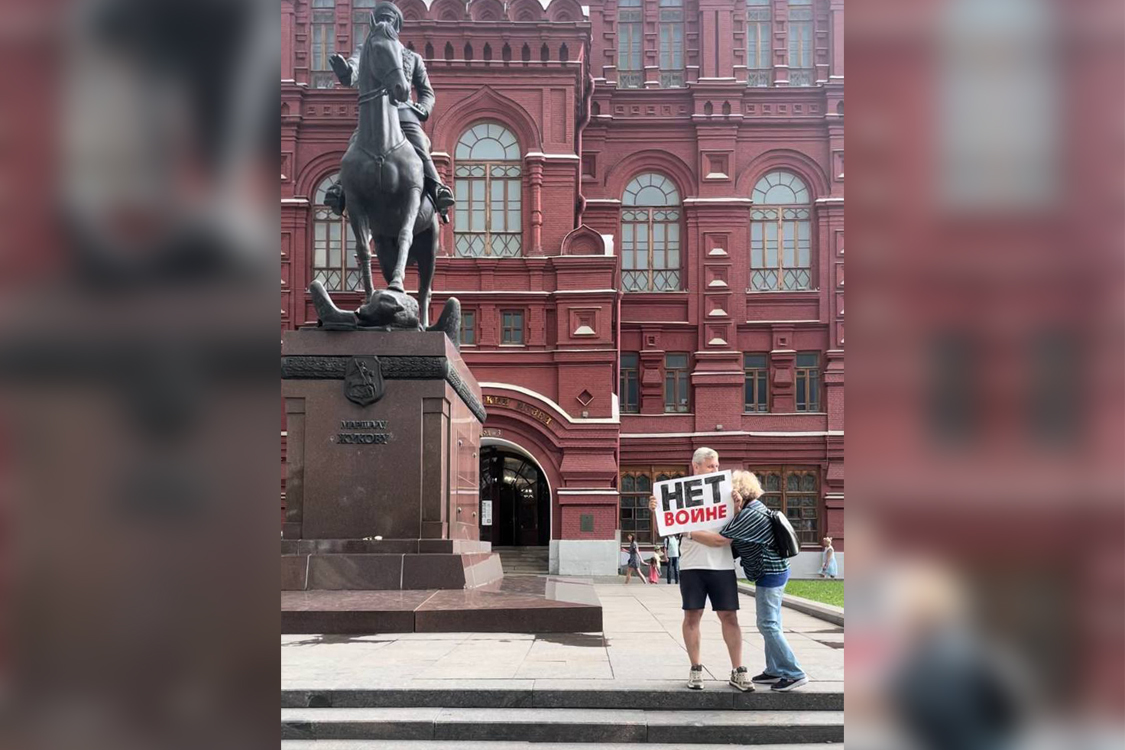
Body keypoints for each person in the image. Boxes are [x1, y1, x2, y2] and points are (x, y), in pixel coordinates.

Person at [325, 2, 456, 221]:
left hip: (405, 114)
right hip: (375, 115)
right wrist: (344, 70)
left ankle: (438, 189)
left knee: (420, 144)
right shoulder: (366, 50)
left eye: (390, 17)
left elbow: (427, 92)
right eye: (381, 16)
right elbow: (353, 71)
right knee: (355, 142)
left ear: (397, 24)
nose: (386, 20)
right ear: (374, 22)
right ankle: (339, 188)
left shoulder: (413, 58)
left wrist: (423, 108)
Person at [692, 470, 809, 692]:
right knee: (771, 622)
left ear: (739, 492)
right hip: (772, 572)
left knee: (768, 624)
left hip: (770, 573)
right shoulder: (751, 509)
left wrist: (688, 532)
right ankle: (774, 670)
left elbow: (720, 539)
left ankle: (794, 672)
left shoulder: (751, 515)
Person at [649, 448, 752, 692]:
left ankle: (738, 670)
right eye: (710, 466)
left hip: (722, 565)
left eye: (717, 466)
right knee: (692, 616)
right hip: (692, 566)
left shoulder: (727, 493)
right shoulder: (679, 494)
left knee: (730, 617)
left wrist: (737, 507)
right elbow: (662, 529)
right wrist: (656, 510)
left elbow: (730, 532)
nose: (716, 470)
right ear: (695, 467)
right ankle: (696, 669)